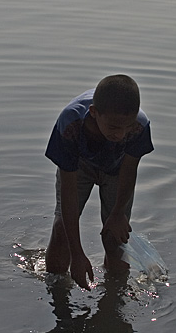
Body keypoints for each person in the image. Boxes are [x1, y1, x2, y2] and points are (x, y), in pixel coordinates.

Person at [45, 74, 154, 289]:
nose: (121, 135)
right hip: (80, 166)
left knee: (116, 238)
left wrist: (117, 214)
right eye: (114, 128)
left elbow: (129, 171)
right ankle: (56, 291)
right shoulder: (70, 124)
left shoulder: (139, 126)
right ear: (94, 113)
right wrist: (77, 254)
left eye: (126, 127)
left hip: (117, 168)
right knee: (61, 231)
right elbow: (68, 190)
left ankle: (115, 294)